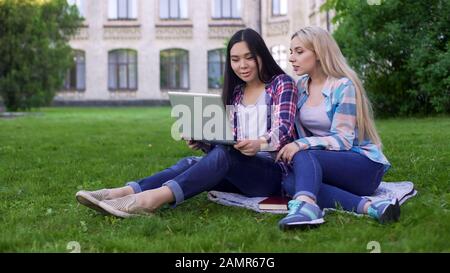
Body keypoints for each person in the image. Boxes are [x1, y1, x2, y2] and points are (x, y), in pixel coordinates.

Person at [76, 28, 298, 218]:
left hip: (272, 174)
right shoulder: (237, 93)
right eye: (235, 59)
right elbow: (229, 143)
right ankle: (119, 193)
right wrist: (203, 141)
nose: (242, 65)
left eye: (249, 57)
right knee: (192, 161)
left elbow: (284, 131)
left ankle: (150, 200)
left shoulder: (281, 84)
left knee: (226, 156)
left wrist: (259, 143)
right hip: (239, 170)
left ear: (261, 56)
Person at [276, 26, 398, 230]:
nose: (291, 58)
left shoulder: (343, 86)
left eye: (299, 51)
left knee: (304, 155)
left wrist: (301, 144)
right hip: (326, 163)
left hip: (362, 166)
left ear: (319, 53)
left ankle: (305, 208)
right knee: (290, 182)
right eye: (291, 52)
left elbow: (343, 140)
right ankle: (372, 208)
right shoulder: (300, 87)